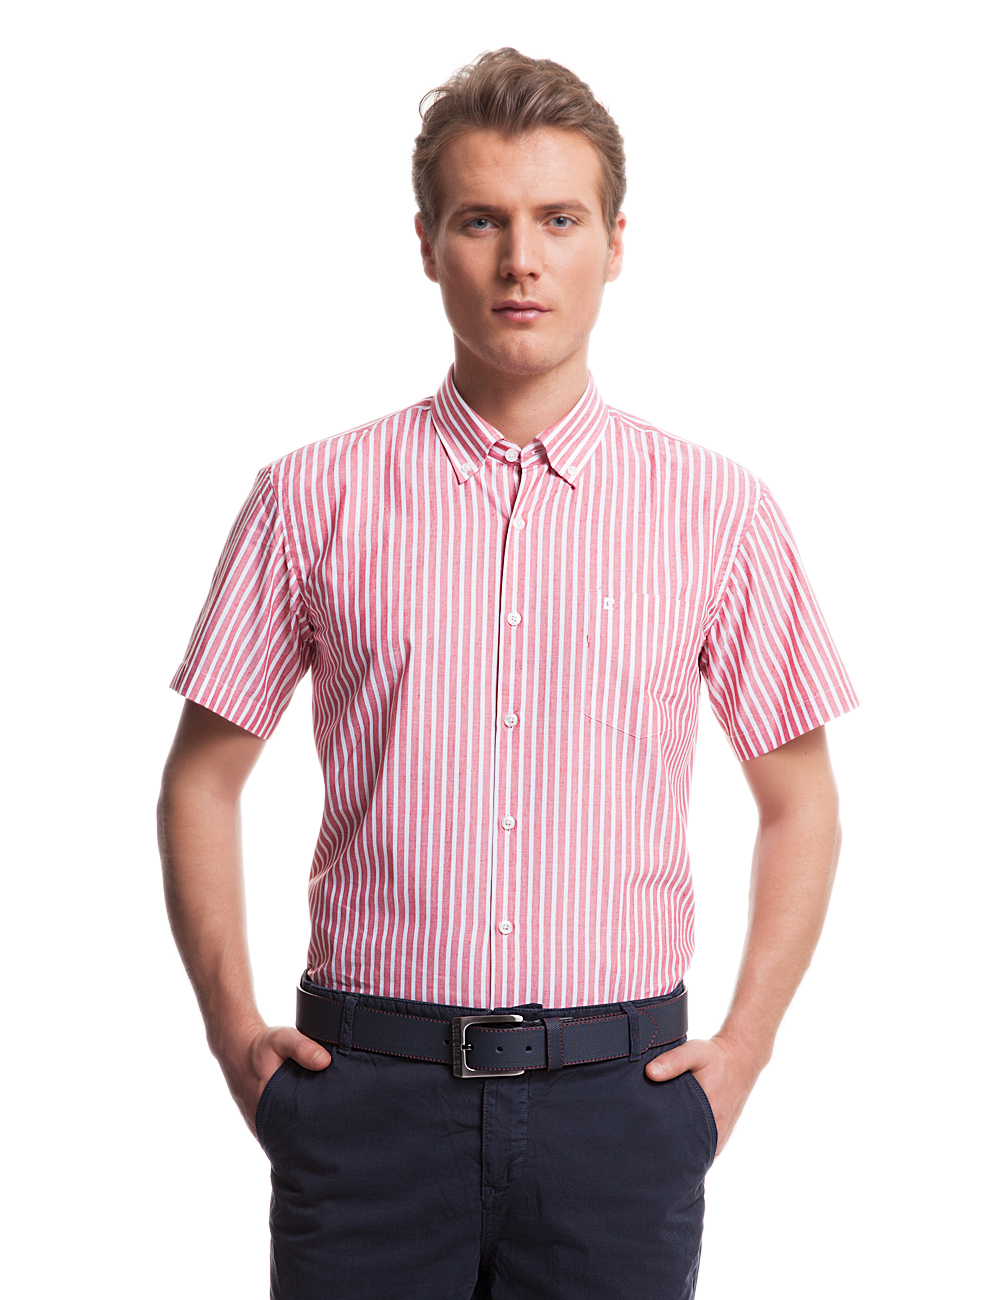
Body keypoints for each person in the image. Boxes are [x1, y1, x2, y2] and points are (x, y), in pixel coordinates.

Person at [158, 48, 858, 1300]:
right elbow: (201, 782)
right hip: (364, 1105)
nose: (520, 260)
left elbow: (800, 799)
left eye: (558, 220)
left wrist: (743, 1050)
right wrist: (233, 1038)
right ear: (427, 245)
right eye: (481, 220)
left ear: (615, 243)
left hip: (619, 1112)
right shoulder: (310, 498)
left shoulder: (719, 511)